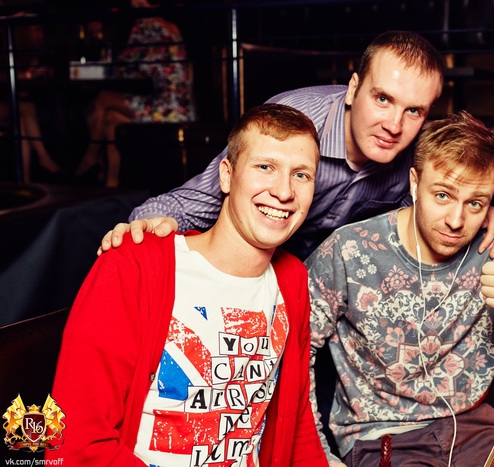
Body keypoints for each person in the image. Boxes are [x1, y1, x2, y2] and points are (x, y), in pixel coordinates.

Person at [46, 103, 326, 466]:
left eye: (301, 174)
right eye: (265, 167)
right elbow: (76, 442)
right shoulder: (135, 266)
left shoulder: (291, 278)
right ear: (226, 176)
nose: (284, 192)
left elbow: (297, 422)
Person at [304, 110, 494, 466]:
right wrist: (320, 458)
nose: (456, 221)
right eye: (443, 195)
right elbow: (293, 358)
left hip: (474, 429)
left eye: (475, 203)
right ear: (414, 183)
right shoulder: (348, 251)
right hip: (381, 437)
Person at [98, 30, 494, 260]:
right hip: (256, 267)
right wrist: (144, 227)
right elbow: (201, 198)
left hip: (330, 289)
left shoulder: (417, 155)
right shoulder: (295, 121)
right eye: (382, 99)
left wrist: (485, 212)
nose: (393, 125)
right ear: (353, 88)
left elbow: (438, 209)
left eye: (414, 111)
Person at [74, 0, 196, 187]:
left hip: (169, 108)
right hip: (181, 107)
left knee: (103, 98)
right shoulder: (168, 26)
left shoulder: (146, 26)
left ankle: (90, 159)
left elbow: (122, 65)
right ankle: (111, 182)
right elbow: (143, 64)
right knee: (111, 119)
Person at [0, 14, 62, 182]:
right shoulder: (5, 49)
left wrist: (36, 72)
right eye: (36, 30)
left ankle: (25, 181)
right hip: (6, 105)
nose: (39, 34)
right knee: (27, 108)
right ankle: (44, 158)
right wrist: (27, 76)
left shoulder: (30, 51)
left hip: (11, 104)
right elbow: (5, 78)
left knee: (22, 121)